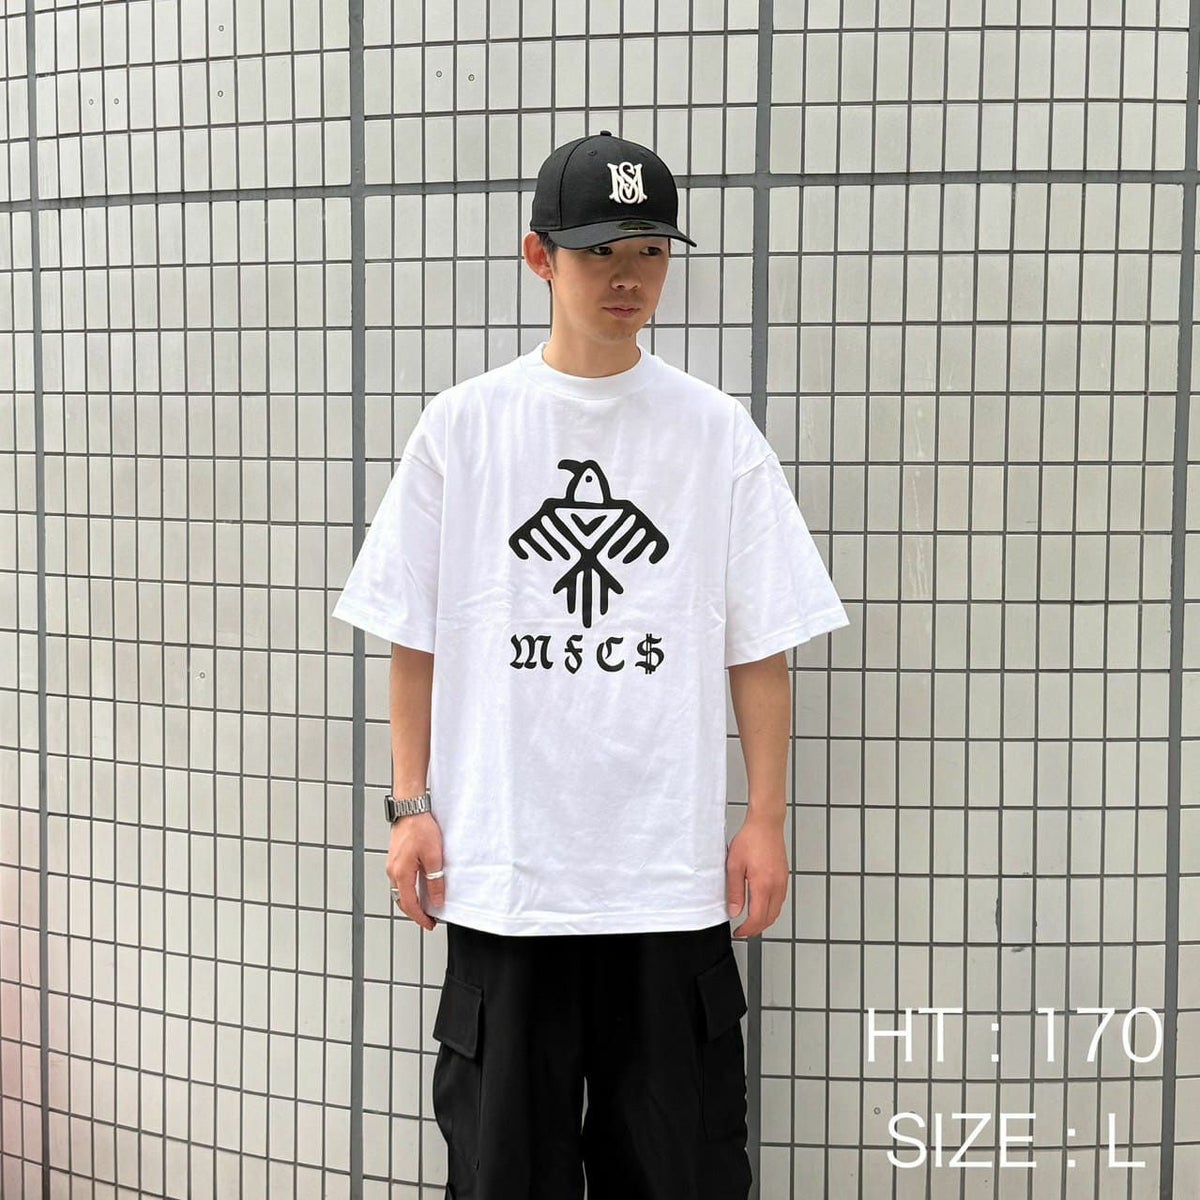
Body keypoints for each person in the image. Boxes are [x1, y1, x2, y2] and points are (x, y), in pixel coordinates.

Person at [331, 130, 850, 1199]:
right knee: (504, 1172)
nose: (628, 277)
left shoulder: (714, 434)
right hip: (508, 878)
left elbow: (761, 645)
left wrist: (765, 819)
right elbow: (413, 634)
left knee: (678, 1170)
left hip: (664, 881)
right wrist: (410, 805)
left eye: (651, 251)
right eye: (600, 250)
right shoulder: (465, 428)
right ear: (540, 256)